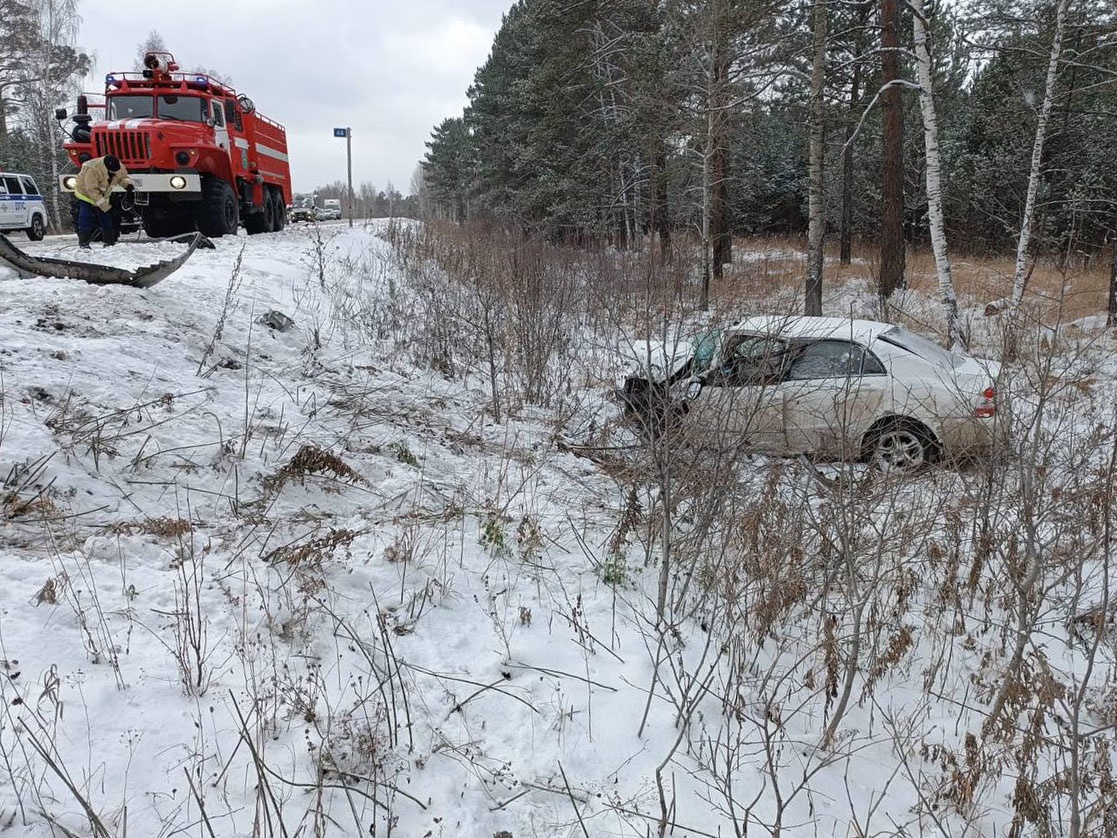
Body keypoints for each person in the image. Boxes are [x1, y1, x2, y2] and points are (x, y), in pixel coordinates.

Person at [74, 154, 134, 249]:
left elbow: (123, 177)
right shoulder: (92, 169)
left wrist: (127, 184)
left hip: (102, 194)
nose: (114, 173)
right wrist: (105, 206)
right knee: (86, 217)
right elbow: (91, 190)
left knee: (106, 218)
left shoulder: (118, 167)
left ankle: (109, 241)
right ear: (107, 168)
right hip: (86, 195)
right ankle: (84, 242)